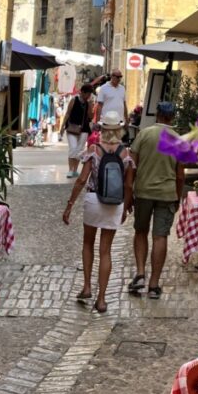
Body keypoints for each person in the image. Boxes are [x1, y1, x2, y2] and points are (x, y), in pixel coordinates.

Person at [62, 111, 135, 314]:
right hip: (114, 203)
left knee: (87, 243)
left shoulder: (95, 150)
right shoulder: (126, 154)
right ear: (119, 129)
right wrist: (126, 207)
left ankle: (86, 287)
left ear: (102, 129)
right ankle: (101, 299)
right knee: (106, 251)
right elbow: (128, 185)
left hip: (93, 200)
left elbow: (81, 179)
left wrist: (70, 204)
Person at [128, 100, 184, 300]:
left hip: (143, 192)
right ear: (172, 117)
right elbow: (180, 175)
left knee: (141, 231)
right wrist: (177, 197)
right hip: (167, 193)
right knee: (160, 237)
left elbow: (131, 166)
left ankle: (141, 273)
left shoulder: (144, 134)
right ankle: (154, 284)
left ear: (157, 115)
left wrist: (128, 194)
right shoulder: (178, 140)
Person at [59, 83, 94, 179]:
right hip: (72, 127)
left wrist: (90, 105)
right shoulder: (74, 100)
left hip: (84, 128)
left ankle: (75, 170)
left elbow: (90, 117)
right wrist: (62, 127)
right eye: (88, 93)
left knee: (79, 150)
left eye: (90, 94)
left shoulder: (88, 103)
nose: (89, 96)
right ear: (82, 92)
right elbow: (67, 113)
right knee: (73, 148)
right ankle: (70, 169)